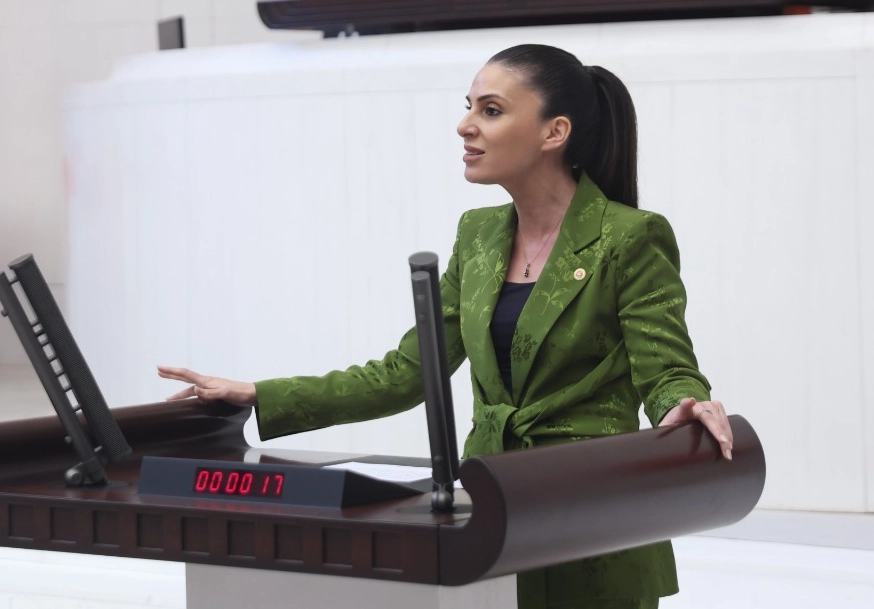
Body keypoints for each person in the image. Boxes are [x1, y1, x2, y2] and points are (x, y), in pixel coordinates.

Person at [159, 44, 733, 609]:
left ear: (554, 132)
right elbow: (406, 374)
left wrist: (684, 404)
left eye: (491, 110)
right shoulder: (478, 235)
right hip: (490, 515)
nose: (465, 126)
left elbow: (666, 368)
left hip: (594, 524)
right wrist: (259, 394)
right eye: (469, 107)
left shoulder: (630, 237)